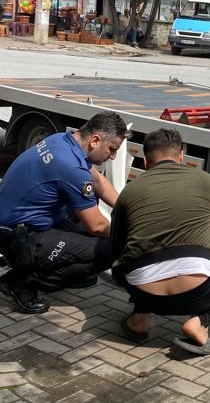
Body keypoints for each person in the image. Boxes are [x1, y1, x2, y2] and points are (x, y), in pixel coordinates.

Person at [110, 127, 210, 356]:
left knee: (143, 256)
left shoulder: (130, 190)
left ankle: (139, 321)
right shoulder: (206, 181)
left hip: (144, 291)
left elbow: (117, 248)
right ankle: (200, 322)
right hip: (197, 292)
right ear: (182, 156)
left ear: (146, 161)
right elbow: (208, 229)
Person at [0, 111, 129, 314]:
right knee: (111, 248)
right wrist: (130, 237)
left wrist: (129, 208)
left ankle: (69, 271)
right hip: (18, 236)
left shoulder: (62, 140)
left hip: (23, 220)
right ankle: (19, 282)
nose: (112, 156)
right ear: (95, 140)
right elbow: (97, 225)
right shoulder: (71, 168)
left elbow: (97, 181)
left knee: (87, 227)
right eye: (112, 149)